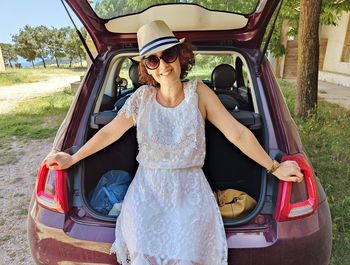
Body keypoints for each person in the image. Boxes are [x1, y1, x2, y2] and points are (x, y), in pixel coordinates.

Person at [46, 20, 303, 265]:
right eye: (152, 60)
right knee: (143, 251)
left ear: (181, 55)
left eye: (168, 55)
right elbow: (108, 133)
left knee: (188, 253)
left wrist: (274, 167)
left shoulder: (199, 93)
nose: (163, 66)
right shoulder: (141, 99)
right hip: (147, 192)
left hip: (189, 192)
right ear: (146, 67)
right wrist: (73, 158)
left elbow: (237, 133)